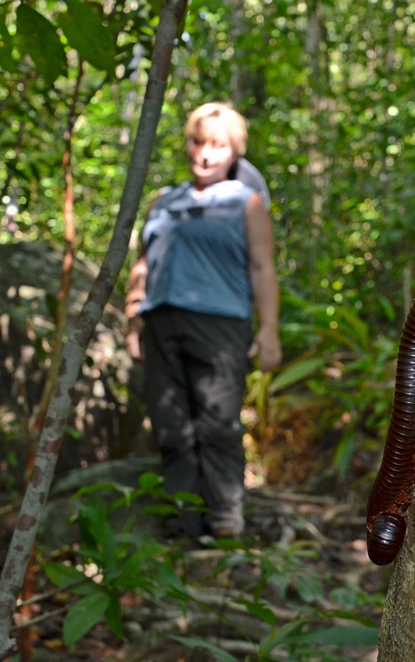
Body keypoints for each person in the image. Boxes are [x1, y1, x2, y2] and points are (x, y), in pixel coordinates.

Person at [125, 102, 281, 538]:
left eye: (218, 145)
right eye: (198, 141)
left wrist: (269, 330)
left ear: (234, 152)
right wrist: (133, 317)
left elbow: (262, 268)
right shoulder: (164, 200)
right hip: (161, 323)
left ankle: (226, 522)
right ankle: (181, 523)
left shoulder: (245, 202)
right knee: (170, 425)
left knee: (217, 423)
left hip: (220, 325)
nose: (205, 154)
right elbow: (142, 264)